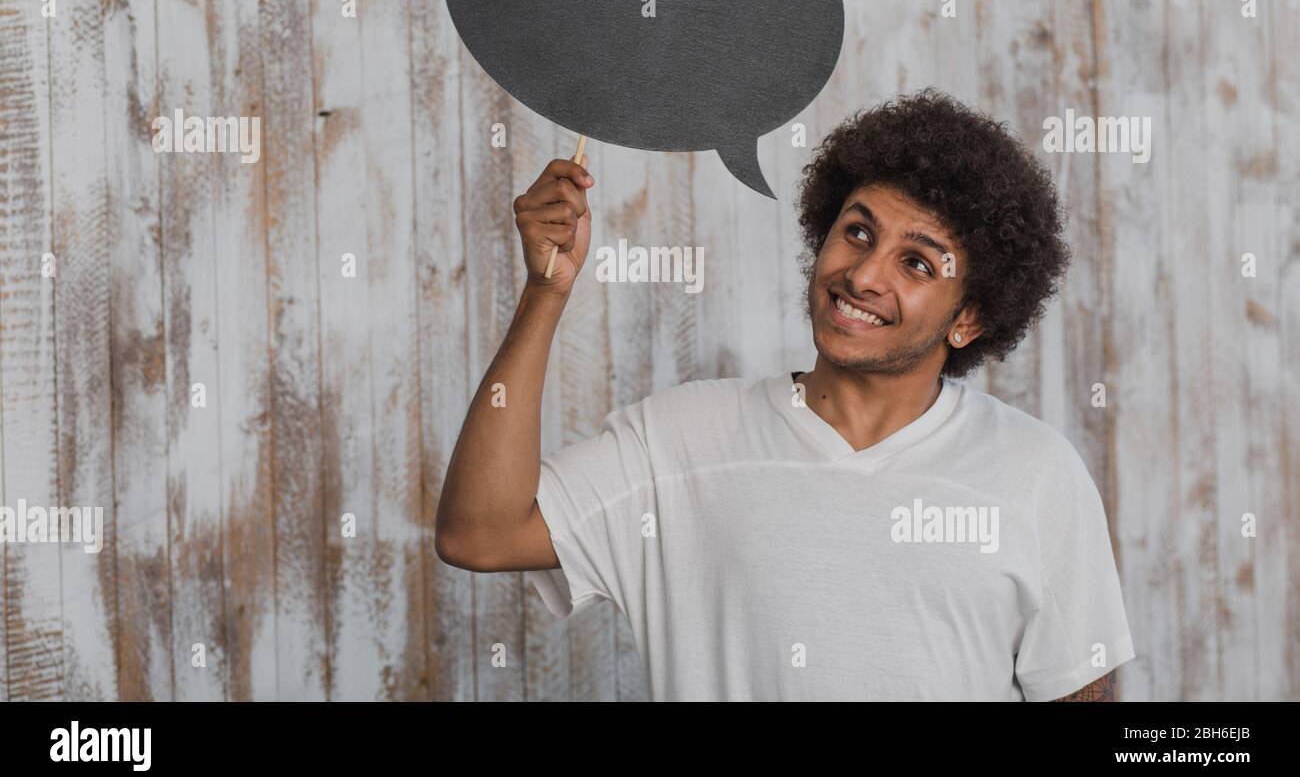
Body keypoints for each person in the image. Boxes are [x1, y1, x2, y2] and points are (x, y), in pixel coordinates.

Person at [436, 88, 1136, 701]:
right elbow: (480, 532)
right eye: (857, 231)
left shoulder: (1035, 475)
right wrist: (545, 292)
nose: (863, 276)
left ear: (970, 318)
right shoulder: (683, 440)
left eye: (916, 262)